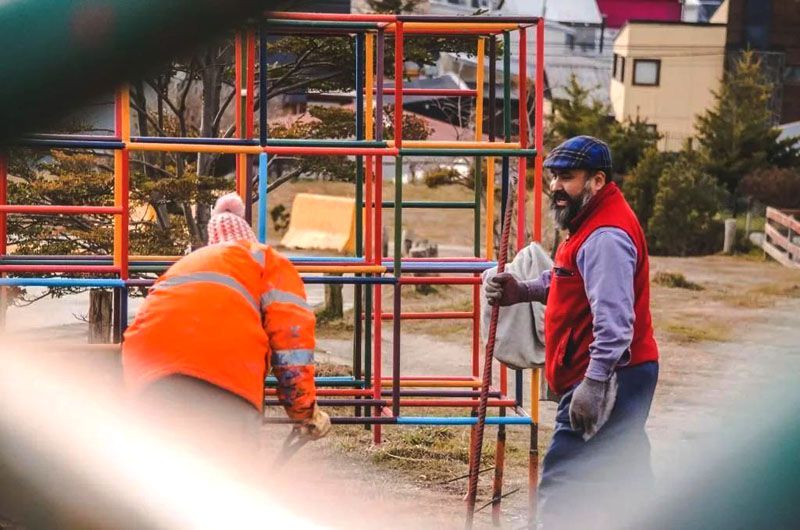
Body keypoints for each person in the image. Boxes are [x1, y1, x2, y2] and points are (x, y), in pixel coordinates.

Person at [485, 136, 659, 528]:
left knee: (564, 480)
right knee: (625, 476)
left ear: (597, 181)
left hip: (608, 376)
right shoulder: (588, 223)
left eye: (568, 177)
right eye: (553, 177)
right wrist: (523, 290)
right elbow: (569, 280)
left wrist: (594, 384)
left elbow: (615, 326)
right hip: (624, 372)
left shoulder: (605, 237)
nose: (556, 187)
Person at [122, 192, 330, 454]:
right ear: (249, 237)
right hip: (223, 377)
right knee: (229, 473)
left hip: (147, 377)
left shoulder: (185, 264)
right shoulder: (266, 261)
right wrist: (304, 412)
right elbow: (292, 342)